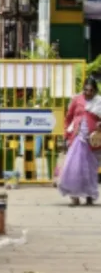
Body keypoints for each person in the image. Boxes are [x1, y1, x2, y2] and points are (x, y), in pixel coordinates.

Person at [59, 77, 101, 206]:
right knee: (74, 167)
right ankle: (75, 195)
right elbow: (68, 117)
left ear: (95, 90)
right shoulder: (77, 100)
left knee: (90, 169)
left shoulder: (99, 102)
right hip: (77, 137)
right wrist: (66, 134)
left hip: (94, 139)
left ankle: (89, 195)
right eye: (86, 90)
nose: (88, 93)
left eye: (91, 90)